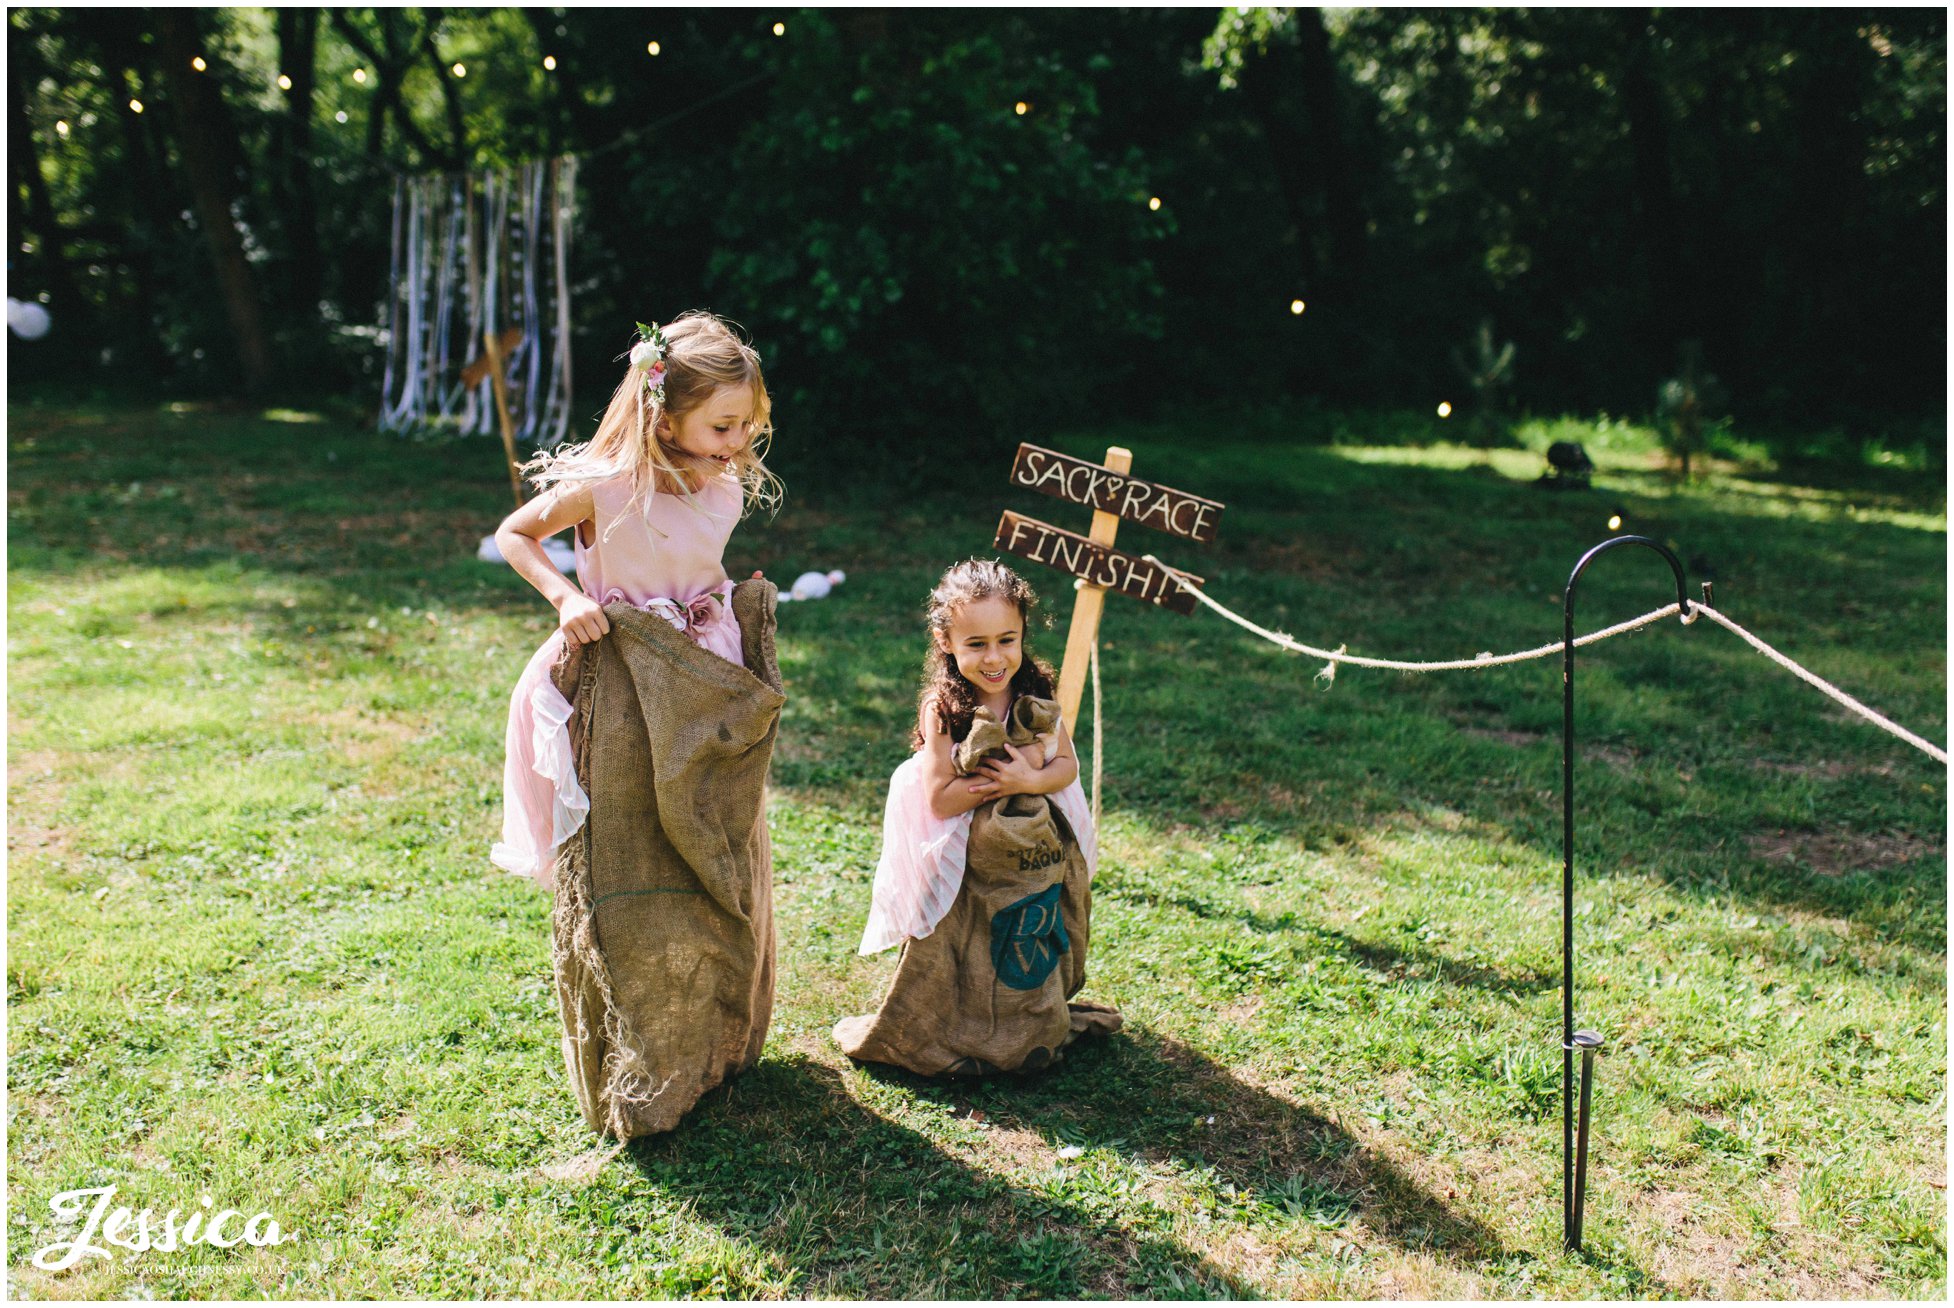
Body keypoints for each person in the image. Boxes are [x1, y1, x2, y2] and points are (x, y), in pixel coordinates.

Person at [490, 311, 782, 888]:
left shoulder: (723, 484)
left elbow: (691, 561)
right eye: (723, 426)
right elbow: (514, 533)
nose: (739, 440)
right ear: (667, 423)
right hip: (623, 662)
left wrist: (731, 600)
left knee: (704, 797)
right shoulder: (608, 487)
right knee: (627, 800)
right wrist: (566, 598)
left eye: (747, 423)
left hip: (702, 662)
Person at [836, 560, 1119, 1077]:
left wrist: (1028, 782)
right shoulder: (944, 707)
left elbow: (1066, 765)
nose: (994, 658)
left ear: (1022, 634)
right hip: (960, 839)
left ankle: (1027, 1020)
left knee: (1025, 919)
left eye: (1006, 640)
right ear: (946, 641)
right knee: (961, 932)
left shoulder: (1036, 691)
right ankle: (956, 1021)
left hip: (1028, 835)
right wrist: (1001, 781)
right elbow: (941, 798)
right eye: (976, 644)